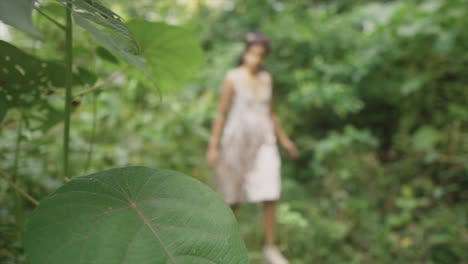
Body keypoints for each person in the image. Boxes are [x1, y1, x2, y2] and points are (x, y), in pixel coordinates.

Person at [206, 32, 299, 264]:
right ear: (246, 53)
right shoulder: (233, 77)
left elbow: (271, 112)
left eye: (260, 55)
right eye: (252, 54)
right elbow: (221, 112)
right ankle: (223, 246)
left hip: (264, 140)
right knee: (231, 195)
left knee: (271, 189)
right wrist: (213, 145)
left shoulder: (267, 79)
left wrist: (285, 140)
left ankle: (270, 247)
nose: (255, 59)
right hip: (236, 140)